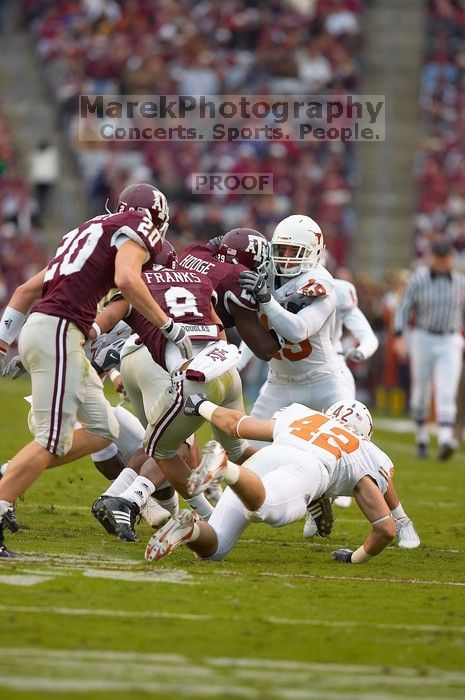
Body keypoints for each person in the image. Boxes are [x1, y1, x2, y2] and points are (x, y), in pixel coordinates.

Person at [0, 182, 192, 557]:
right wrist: (165, 323)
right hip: (59, 328)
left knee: (104, 430)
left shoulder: (89, 229)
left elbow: (24, 289)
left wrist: (2, 340)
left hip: (55, 330)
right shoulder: (138, 228)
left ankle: (10, 473)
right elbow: (126, 279)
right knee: (53, 439)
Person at [88, 244, 251, 540]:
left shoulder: (134, 282)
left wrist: (74, 336)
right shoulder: (197, 280)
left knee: (156, 444)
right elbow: (220, 334)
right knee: (177, 446)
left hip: (131, 359)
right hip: (172, 362)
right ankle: (134, 500)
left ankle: (115, 497)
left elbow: (104, 323)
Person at [144, 396, 398, 564]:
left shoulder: (303, 415)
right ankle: (225, 468)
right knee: (266, 511)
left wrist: (200, 405)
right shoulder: (364, 451)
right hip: (307, 469)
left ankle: (191, 528)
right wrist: (355, 558)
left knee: (217, 548)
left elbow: (236, 425)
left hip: (268, 457)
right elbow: (385, 529)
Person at [393, 237, 465, 460]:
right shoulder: (419, 279)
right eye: (438, 257)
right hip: (423, 336)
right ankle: (422, 436)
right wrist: (399, 335)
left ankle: (445, 438)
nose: (442, 262)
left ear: (451, 258)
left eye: (446, 257)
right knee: (421, 390)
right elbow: (403, 307)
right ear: (432, 257)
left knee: (447, 389)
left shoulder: (460, 282)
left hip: (450, 337)